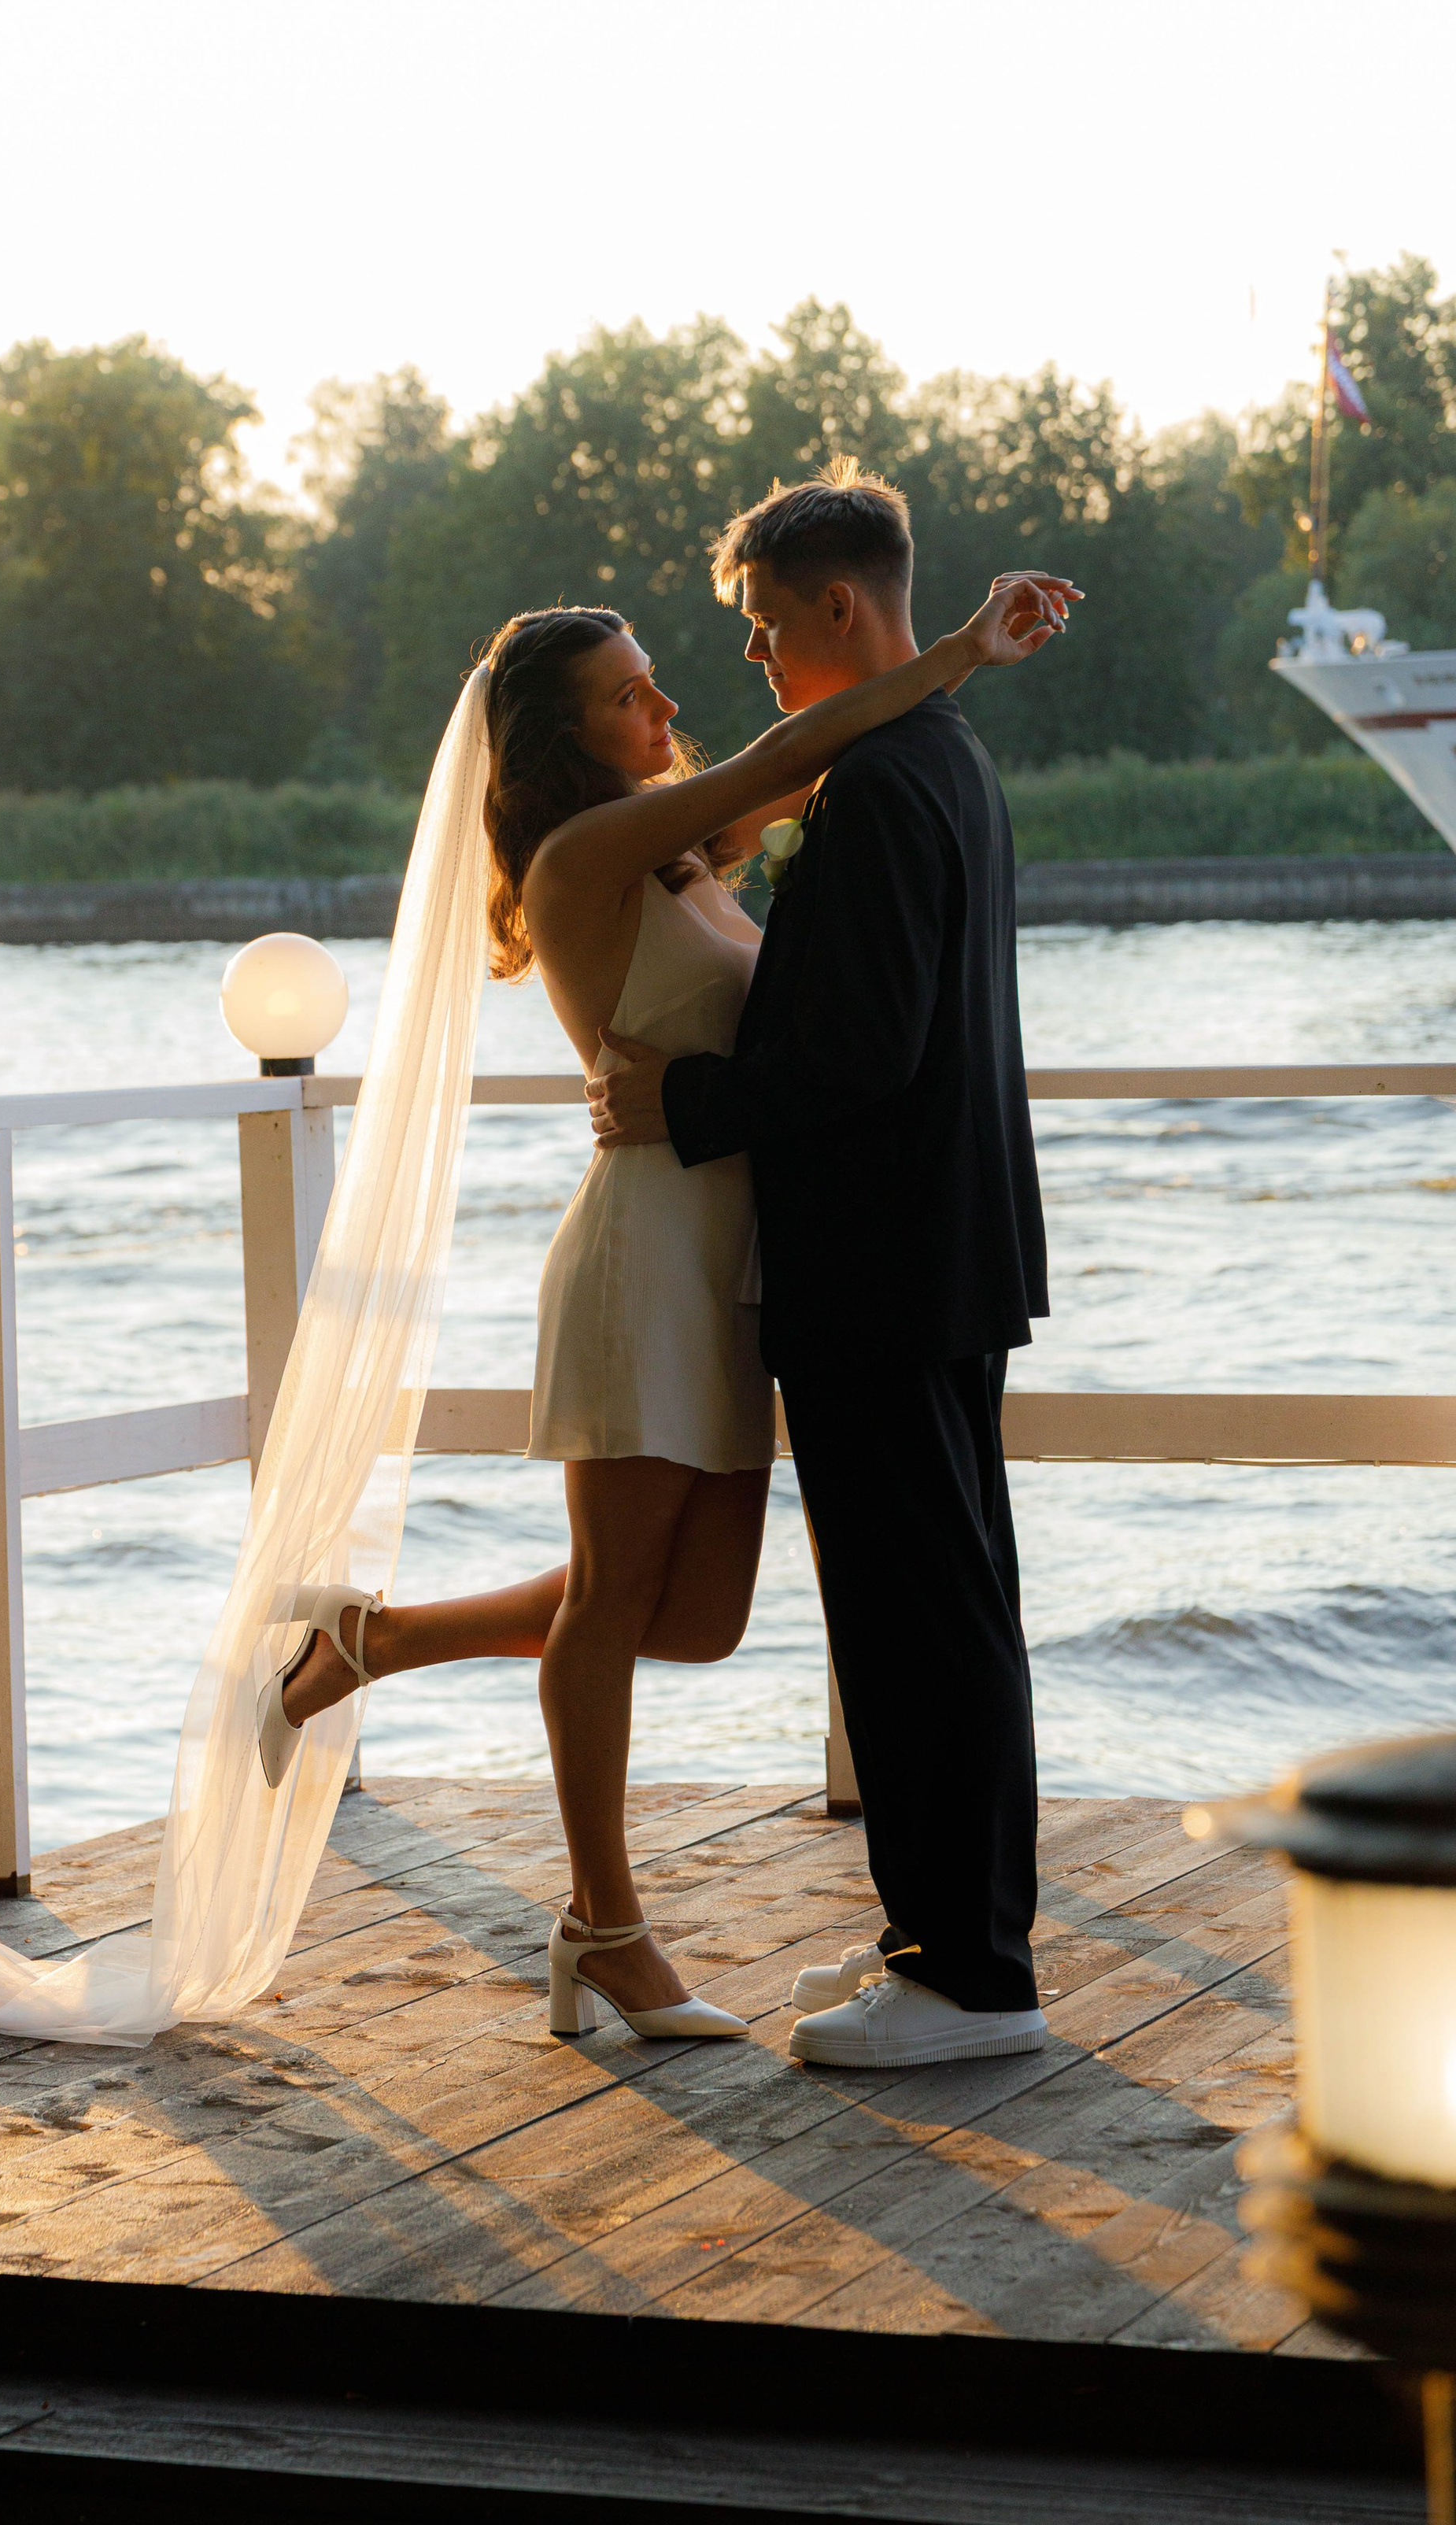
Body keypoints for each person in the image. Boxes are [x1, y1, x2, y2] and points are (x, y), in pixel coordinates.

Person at [267, 525, 1074, 2043]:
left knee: (690, 1615)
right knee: (626, 1599)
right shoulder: (590, 855)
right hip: (648, 1255)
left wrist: (950, 674)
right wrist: (961, 651)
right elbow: (810, 736)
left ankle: (380, 1640)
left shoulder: (696, 849)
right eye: (628, 698)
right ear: (561, 742)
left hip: (750, 1262)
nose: (665, 711)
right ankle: (606, 1927)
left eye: (655, 687)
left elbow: (833, 755)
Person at [591, 457, 1059, 2068]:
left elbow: (861, 1049)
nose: (749, 658)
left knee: (914, 1612)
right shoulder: (941, 758)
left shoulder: (877, 786)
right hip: (946, 1246)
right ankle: (952, 1945)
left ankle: (962, 1978)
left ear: (835, 608)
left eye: (758, 624)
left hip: (882, 1256)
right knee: (948, 1598)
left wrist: (686, 1097)